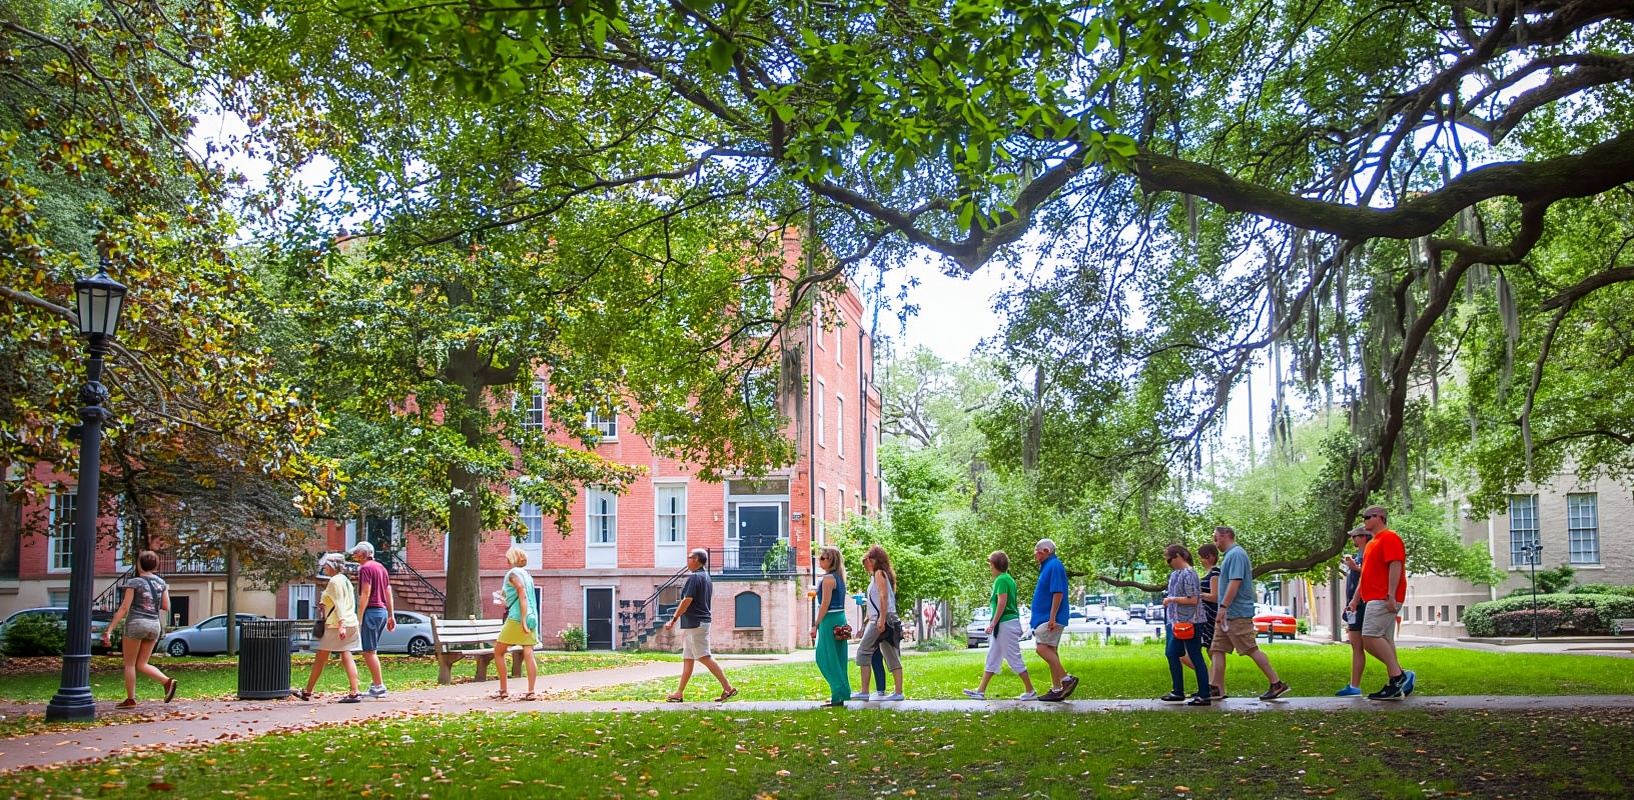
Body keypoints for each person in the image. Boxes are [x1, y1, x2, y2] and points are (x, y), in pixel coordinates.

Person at [1206, 527, 1290, 701]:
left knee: (1250, 648)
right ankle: (1215, 688)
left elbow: (1235, 583)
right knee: (1216, 649)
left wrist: (1222, 607)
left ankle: (1276, 683)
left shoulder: (1236, 554)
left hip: (1236, 613)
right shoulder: (1230, 555)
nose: (1215, 543)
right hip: (1227, 614)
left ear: (1224, 536)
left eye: (1216, 538)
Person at [1350, 506, 1416, 700]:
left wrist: (1391, 595)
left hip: (1383, 598)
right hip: (1372, 597)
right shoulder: (1372, 543)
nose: (1364, 521)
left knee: (1369, 638)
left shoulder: (1390, 537)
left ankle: (1399, 676)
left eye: (1367, 517)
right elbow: (1366, 575)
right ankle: (1395, 683)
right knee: (1385, 641)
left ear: (1379, 518)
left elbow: (1395, 565)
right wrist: (1355, 599)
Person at [100, 550, 177, 708]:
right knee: (142, 664)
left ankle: (131, 700)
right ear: (155, 565)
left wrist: (109, 630)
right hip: (154, 625)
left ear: (139, 564)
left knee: (129, 664)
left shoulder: (134, 582)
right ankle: (167, 681)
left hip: (136, 624)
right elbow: (166, 606)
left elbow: (124, 608)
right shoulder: (161, 583)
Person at [663, 548, 737, 702]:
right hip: (695, 624)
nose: (687, 560)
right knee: (688, 659)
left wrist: (673, 619)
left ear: (696, 559)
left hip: (696, 624)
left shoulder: (694, 578)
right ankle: (679, 693)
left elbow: (686, 600)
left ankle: (728, 688)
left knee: (704, 657)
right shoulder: (706, 577)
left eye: (689, 557)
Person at [963, 551, 1037, 701]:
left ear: (996, 565)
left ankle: (1030, 690)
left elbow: (1002, 602)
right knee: (993, 656)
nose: (989, 567)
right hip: (1007, 624)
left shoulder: (1001, 580)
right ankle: (980, 691)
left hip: (1005, 625)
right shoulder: (1008, 578)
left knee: (1013, 657)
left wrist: (992, 624)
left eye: (990, 564)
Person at [298, 552, 362, 703]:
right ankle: (353, 691)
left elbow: (339, 603)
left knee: (325, 657)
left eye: (326, 564)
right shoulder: (344, 580)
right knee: (337, 654)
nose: (323, 567)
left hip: (336, 625)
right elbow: (345, 602)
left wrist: (341, 624)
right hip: (349, 621)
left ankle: (309, 692)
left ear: (333, 565)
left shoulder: (334, 581)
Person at [1159, 544, 1210, 706]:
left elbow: (1193, 599)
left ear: (1179, 556)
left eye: (1169, 560)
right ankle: (1178, 691)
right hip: (1175, 621)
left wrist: (1171, 599)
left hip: (1190, 621)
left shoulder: (1189, 574)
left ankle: (1204, 694)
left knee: (1195, 655)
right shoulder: (1175, 574)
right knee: (1172, 653)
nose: (1169, 563)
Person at [853, 545, 904, 701]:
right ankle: (898, 692)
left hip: (882, 619)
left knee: (863, 652)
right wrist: (864, 624)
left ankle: (864, 691)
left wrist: (881, 620)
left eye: (866, 562)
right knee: (890, 654)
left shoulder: (879, 574)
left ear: (872, 560)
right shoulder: (882, 575)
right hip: (884, 618)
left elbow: (883, 597)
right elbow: (875, 601)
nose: (865, 567)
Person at [1031, 538, 1076, 702]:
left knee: (1041, 648)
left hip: (1050, 617)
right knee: (1051, 651)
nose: (1035, 554)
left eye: (1037, 551)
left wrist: (1052, 618)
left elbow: (1058, 593)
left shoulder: (1054, 566)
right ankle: (1057, 689)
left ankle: (1066, 679)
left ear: (1046, 552)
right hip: (1045, 616)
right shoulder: (1047, 567)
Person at [494, 545, 539, 700]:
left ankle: (503, 689)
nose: (506, 560)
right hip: (533, 617)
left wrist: (523, 621)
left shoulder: (513, 574)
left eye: (508, 558)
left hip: (517, 618)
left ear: (511, 559)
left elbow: (522, 593)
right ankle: (531, 691)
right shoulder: (528, 575)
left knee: (499, 652)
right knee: (528, 652)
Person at [351, 541, 395, 699]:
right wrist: (391, 614)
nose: (354, 556)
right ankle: (376, 685)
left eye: (356, 554)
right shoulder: (381, 567)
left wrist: (359, 617)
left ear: (363, 554)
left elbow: (365, 592)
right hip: (382, 611)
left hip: (371, 611)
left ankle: (379, 686)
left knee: (368, 651)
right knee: (372, 649)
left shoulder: (365, 568)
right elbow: (388, 590)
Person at [810, 546, 851, 706]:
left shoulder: (828, 579)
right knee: (838, 656)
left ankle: (838, 691)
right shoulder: (839, 577)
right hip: (840, 618)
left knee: (824, 656)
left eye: (822, 558)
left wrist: (816, 624)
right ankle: (838, 694)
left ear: (830, 560)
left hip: (830, 618)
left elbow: (824, 604)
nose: (820, 561)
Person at [1335, 527, 1373, 697]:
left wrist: (1355, 568)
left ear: (1364, 537)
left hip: (1362, 604)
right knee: (1356, 644)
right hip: (1353, 605)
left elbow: (1369, 575)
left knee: (1372, 643)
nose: (1353, 540)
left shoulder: (1369, 554)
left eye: (1356, 536)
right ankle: (1354, 685)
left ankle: (1398, 674)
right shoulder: (1358, 556)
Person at [1190, 543, 1222, 698]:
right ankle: (1213, 685)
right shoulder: (1209, 572)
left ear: (1209, 556)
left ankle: (1214, 685)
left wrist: (1198, 594)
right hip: (1205, 615)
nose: (1201, 560)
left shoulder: (1215, 573)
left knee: (1213, 651)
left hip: (1211, 615)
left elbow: (1215, 596)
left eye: (1202, 557)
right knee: (1211, 652)